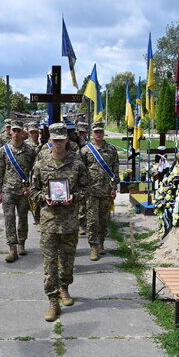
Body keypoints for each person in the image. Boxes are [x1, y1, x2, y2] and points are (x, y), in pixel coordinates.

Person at [31, 122, 89, 321]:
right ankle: (53, 300)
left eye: (61, 139)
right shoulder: (41, 164)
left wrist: (75, 197)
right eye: (54, 139)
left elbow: (86, 189)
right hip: (49, 221)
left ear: (66, 139)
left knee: (67, 261)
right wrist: (43, 197)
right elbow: (33, 190)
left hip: (70, 222)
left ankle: (64, 288)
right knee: (49, 264)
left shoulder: (77, 164)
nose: (58, 143)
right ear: (50, 140)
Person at [0, 119, 36, 262]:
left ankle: (22, 243)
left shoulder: (30, 150)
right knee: (9, 218)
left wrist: (31, 188)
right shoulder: (4, 150)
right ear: (10, 131)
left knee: (23, 218)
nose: (16, 133)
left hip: (24, 191)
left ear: (23, 132)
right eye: (14, 130)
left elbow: (35, 171)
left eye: (19, 130)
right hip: (8, 190)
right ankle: (12, 248)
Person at [80, 121, 119, 261]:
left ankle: (101, 243)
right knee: (91, 221)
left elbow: (115, 170)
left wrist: (114, 188)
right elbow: (81, 171)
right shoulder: (85, 150)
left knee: (104, 219)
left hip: (106, 191)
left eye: (100, 131)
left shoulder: (111, 149)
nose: (98, 134)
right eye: (96, 131)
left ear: (103, 132)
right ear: (92, 133)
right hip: (91, 192)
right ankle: (93, 247)